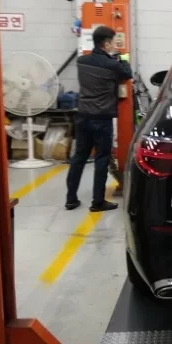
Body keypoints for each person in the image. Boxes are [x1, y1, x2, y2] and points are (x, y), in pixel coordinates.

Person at [65, 26, 132, 212]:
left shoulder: (81, 61)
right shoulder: (112, 64)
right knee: (101, 158)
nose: (115, 45)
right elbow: (127, 73)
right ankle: (98, 202)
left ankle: (71, 199)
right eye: (113, 42)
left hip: (83, 116)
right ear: (107, 43)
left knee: (79, 157)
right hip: (102, 118)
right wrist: (122, 57)